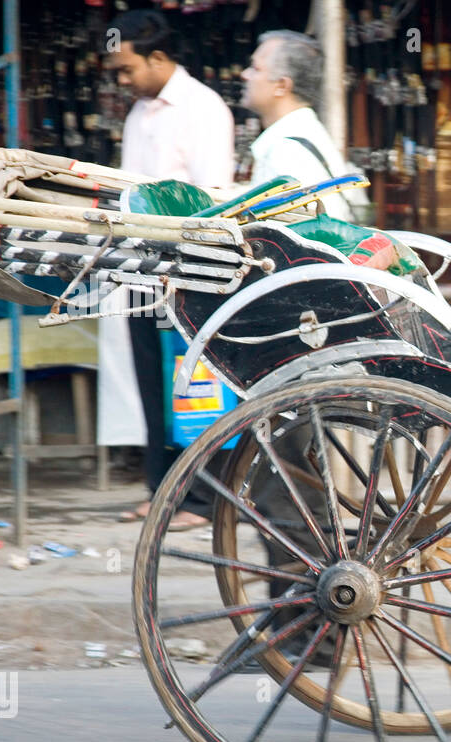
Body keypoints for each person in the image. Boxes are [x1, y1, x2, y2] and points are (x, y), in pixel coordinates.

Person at [106, 8, 236, 531]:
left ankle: (204, 500)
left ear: (158, 58)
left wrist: (182, 265)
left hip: (187, 270)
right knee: (151, 382)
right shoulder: (139, 114)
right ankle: (161, 491)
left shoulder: (203, 109)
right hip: (140, 268)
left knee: (195, 384)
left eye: (126, 68)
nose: (121, 80)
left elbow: (212, 198)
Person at [240, 30, 370, 224]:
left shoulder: (287, 151)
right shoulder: (302, 135)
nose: (245, 75)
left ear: (282, 86)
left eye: (255, 68)